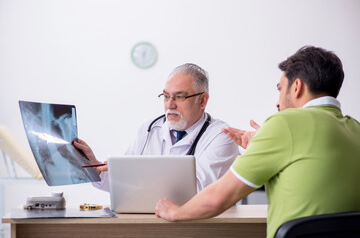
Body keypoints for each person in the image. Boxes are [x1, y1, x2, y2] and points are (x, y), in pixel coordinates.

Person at [155, 46, 360, 238]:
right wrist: (263, 144)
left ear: (297, 87)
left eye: (280, 89)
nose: (278, 102)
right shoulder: (355, 128)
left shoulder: (285, 123)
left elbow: (218, 198)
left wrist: (175, 212)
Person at [74, 63, 239, 192]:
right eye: (166, 96)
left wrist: (138, 173)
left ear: (203, 101)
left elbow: (200, 189)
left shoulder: (222, 135)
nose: (170, 104)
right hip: (152, 224)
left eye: (179, 97)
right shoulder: (149, 129)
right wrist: (94, 167)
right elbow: (123, 182)